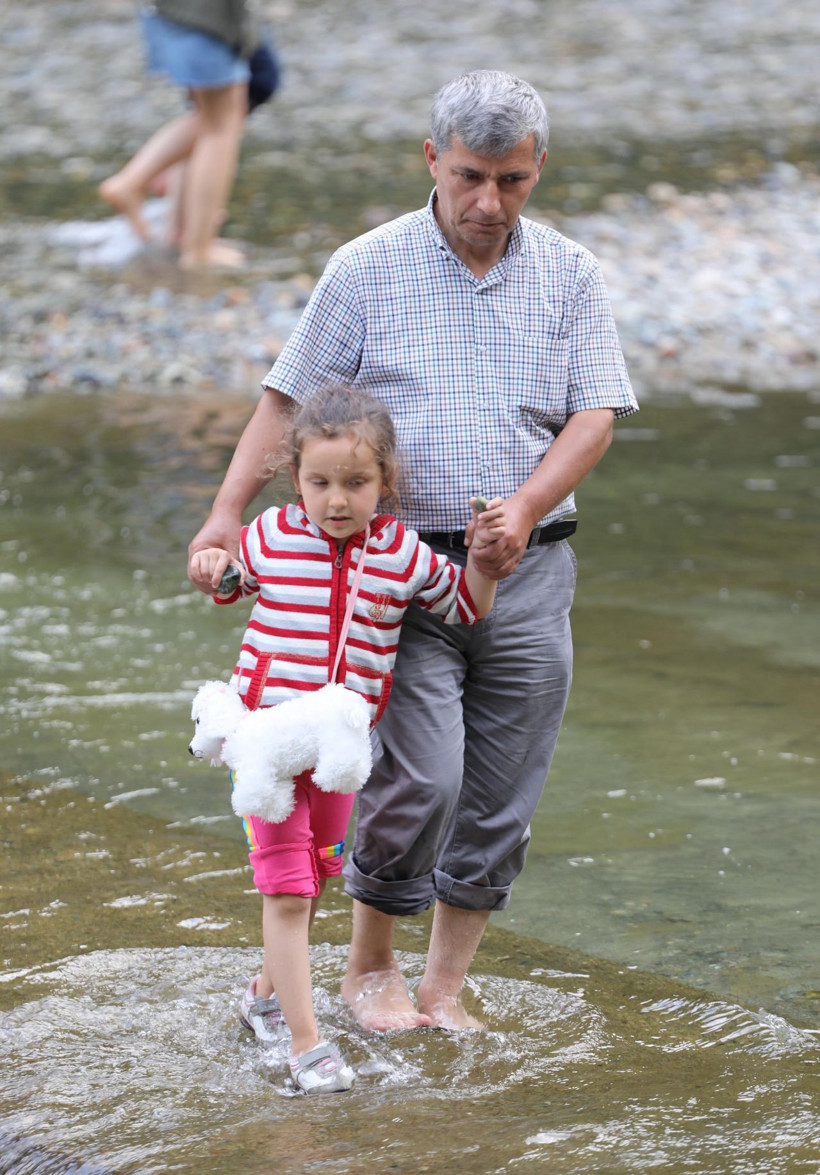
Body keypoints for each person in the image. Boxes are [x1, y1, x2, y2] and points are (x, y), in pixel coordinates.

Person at [188, 69, 638, 1033]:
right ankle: (370, 965)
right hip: (393, 572)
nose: (488, 202)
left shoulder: (569, 274)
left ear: (538, 168)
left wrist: (521, 508)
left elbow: (595, 416)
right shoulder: (366, 267)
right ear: (431, 159)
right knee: (420, 775)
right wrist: (227, 515)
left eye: (512, 181)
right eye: (471, 175)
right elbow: (286, 399)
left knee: (504, 786)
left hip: (527, 564)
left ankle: (443, 987)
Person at [190, 383, 505, 1093]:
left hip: (337, 750)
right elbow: (226, 579)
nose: (336, 500)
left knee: (324, 869)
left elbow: (464, 607)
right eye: (319, 482)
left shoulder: (400, 552)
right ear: (295, 478)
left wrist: (485, 561)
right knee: (289, 892)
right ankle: (307, 1046)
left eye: (356, 483)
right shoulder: (271, 535)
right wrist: (212, 564)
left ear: (385, 483)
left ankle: (262, 997)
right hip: (265, 745)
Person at [99, 2, 269, 268]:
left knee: (210, 114)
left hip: (175, 14)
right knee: (221, 125)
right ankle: (198, 248)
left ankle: (180, 231)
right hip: (203, 18)